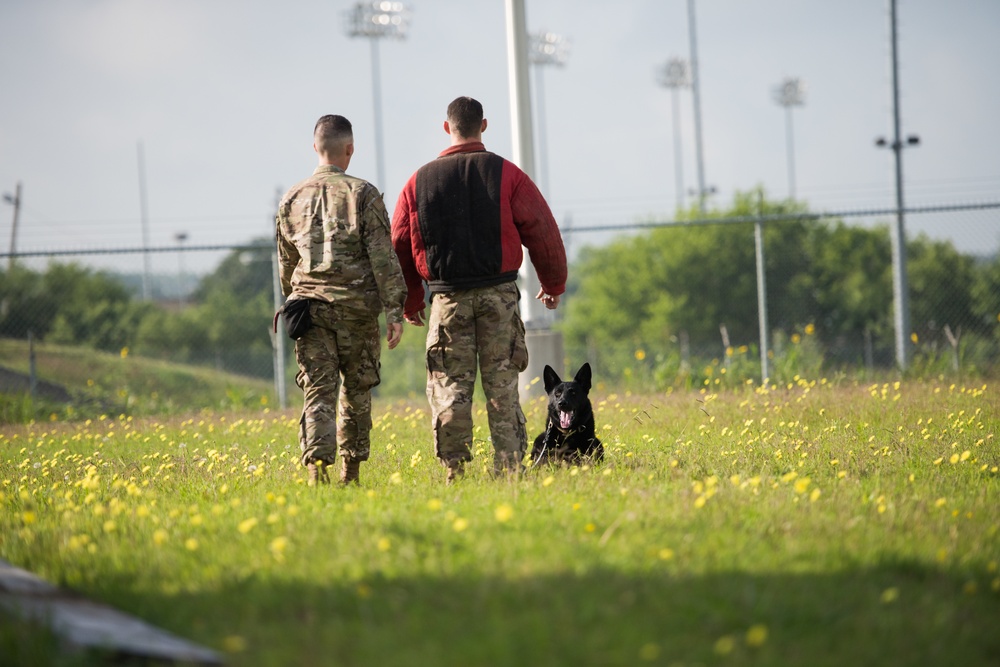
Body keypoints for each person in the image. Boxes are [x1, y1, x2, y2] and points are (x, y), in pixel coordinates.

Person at [391, 96, 567, 482]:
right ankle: (509, 470)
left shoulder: (418, 181)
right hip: (499, 298)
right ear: (483, 125)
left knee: (450, 388)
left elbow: (399, 245)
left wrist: (412, 300)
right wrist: (552, 283)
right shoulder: (506, 174)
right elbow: (542, 229)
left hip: (446, 300)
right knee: (502, 389)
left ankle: (454, 470)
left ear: (446, 127)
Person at [276, 114, 406, 486]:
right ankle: (351, 474)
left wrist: (292, 297)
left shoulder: (291, 198)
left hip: (310, 310)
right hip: (357, 312)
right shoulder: (363, 193)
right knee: (357, 390)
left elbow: (286, 262)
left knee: (318, 390)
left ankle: (317, 474)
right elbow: (383, 256)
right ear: (349, 149)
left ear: (315, 147)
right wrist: (394, 309)